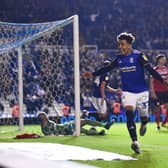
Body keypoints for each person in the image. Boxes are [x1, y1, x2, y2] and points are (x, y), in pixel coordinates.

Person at [83, 32, 168, 154]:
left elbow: (150, 70)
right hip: (127, 92)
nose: (120, 47)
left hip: (142, 93)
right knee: (129, 114)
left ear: (129, 45)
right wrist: (93, 74)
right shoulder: (119, 59)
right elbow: (107, 68)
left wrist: (162, 80)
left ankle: (144, 124)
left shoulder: (139, 56)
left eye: (122, 44)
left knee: (144, 118)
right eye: (119, 45)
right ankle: (135, 142)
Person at [37, 112, 115, 136]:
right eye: (44, 116)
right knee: (81, 129)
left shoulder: (49, 122)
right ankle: (97, 133)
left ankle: (105, 125)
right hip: (66, 130)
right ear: (42, 118)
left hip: (66, 125)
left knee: (84, 120)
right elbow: (52, 136)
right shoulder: (45, 129)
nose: (47, 116)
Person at [150, 54, 168, 130]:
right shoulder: (154, 69)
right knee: (157, 109)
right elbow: (151, 81)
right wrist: (152, 92)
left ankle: (164, 122)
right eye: (163, 59)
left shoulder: (166, 69)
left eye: (165, 59)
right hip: (157, 91)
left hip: (166, 90)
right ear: (159, 60)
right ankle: (158, 124)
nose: (165, 60)